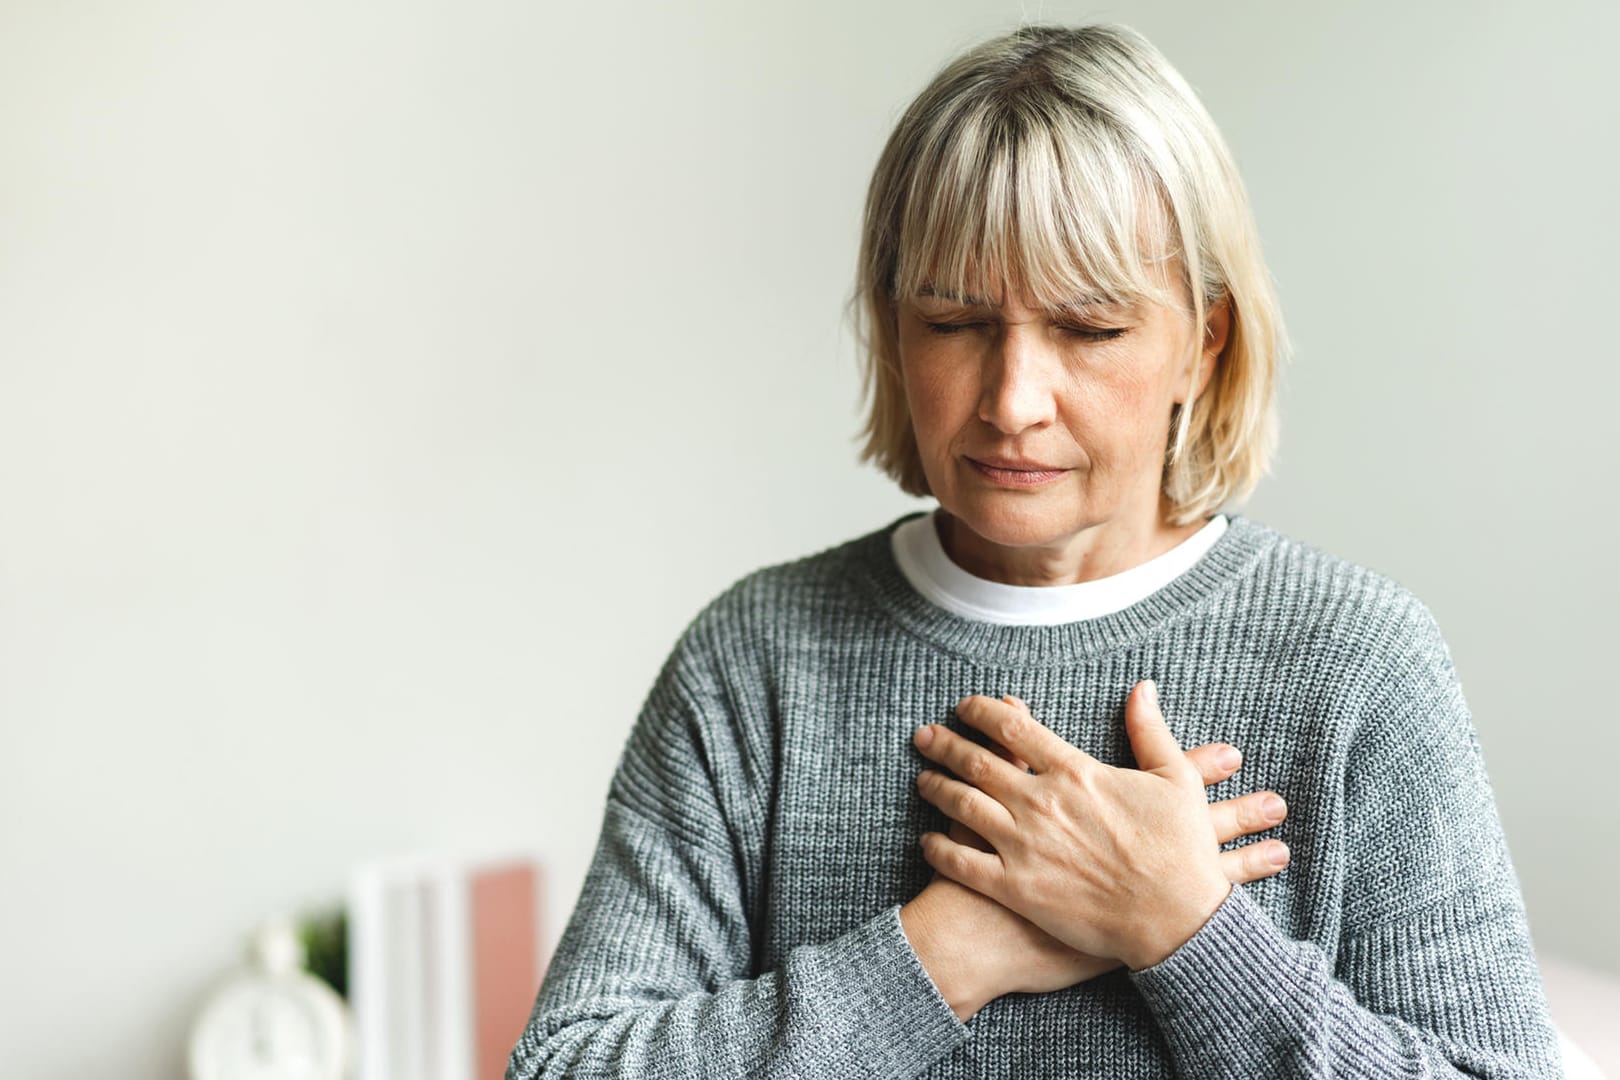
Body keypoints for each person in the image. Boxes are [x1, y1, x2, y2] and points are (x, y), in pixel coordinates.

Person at [506, 22, 1562, 1079]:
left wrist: (1186, 932)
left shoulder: (1358, 663)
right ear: (892, 329)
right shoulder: (757, 660)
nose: (1012, 404)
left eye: (1089, 330)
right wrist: (949, 952)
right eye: (956, 322)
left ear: (1206, 340)